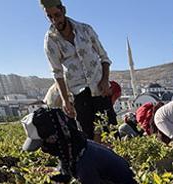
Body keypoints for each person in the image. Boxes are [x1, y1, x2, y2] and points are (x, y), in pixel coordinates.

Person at [20, 108, 142, 184]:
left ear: (54, 139)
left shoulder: (83, 162)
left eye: (43, 144)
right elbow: (64, 173)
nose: (43, 149)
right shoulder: (78, 147)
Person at [41, 0, 117, 142]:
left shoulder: (85, 29)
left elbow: (104, 58)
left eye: (57, 15)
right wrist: (65, 101)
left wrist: (105, 80)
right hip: (79, 93)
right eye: (50, 17)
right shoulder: (50, 41)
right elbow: (57, 73)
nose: (55, 20)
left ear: (63, 10)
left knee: (111, 131)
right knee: (87, 138)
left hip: (100, 89)